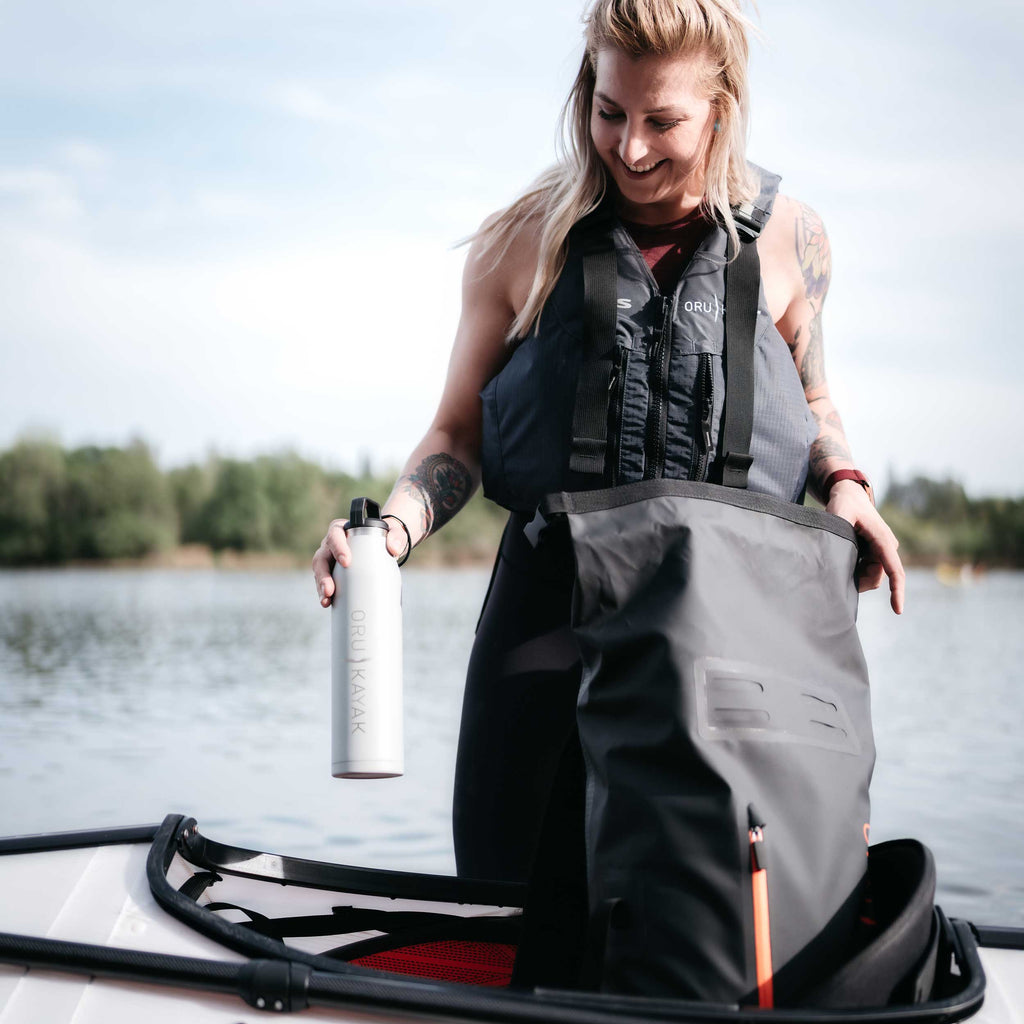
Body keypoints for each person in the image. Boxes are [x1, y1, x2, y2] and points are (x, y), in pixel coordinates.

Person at [312, 0, 905, 891]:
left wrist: (848, 486)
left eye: (663, 121)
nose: (629, 148)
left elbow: (810, 400)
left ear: (721, 107)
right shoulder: (520, 240)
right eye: (609, 111)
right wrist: (388, 535)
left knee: (722, 917)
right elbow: (457, 433)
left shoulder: (795, 239)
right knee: (515, 900)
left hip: (738, 637)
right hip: (551, 627)